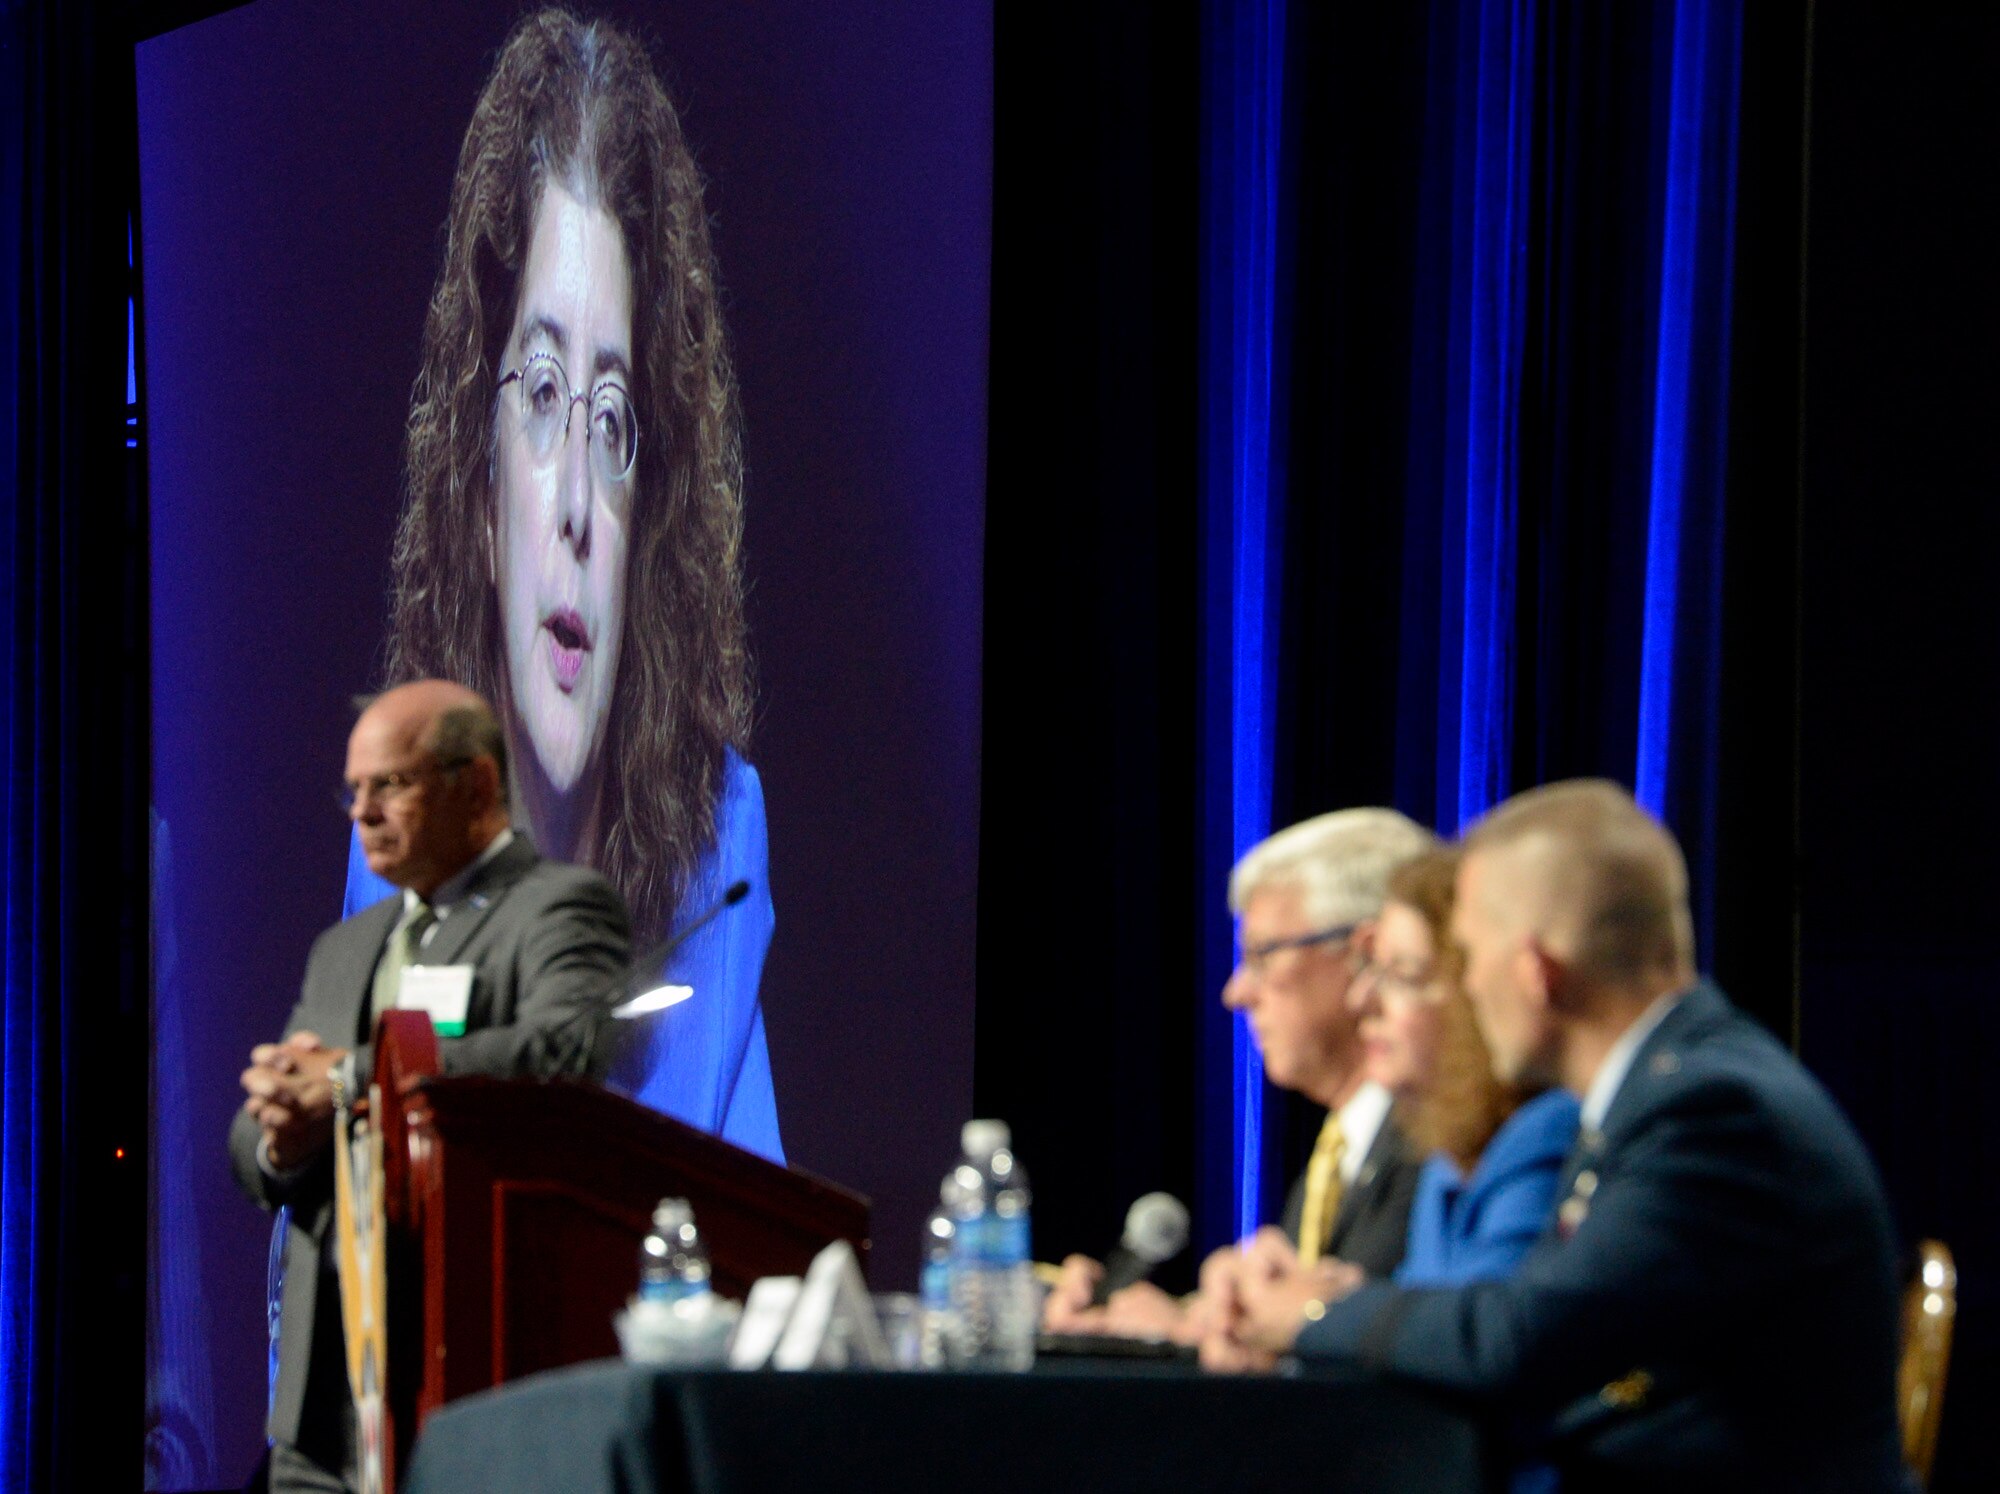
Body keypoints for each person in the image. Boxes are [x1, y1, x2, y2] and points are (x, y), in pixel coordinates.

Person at [1203, 781, 1906, 1494]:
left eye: (1467, 959)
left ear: (1536, 972)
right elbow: (1549, 1308)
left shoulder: (1712, 1113)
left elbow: (1519, 1342)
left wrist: (1318, 1313)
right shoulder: (1663, 1090)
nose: (1466, 990)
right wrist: (1341, 1292)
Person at [354, 9, 781, 1159]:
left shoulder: (718, 838)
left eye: (614, 422)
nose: (580, 509)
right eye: (541, 396)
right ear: (482, 497)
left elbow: (757, 1255)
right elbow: (366, 1231)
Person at [232, 681, 632, 1493]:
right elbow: (254, 1150)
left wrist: (348, 1080)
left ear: (476, 785)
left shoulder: (557, 909)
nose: (362, 812)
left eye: (392, 785)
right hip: (324, 1399)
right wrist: (280, 1136)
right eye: (355, 790)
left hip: (468, 1369)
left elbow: (567, 1049)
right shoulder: (347, 948)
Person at [1044, 808, 1435, 1343]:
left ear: (1363, 953)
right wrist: (1185, 1325)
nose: (1237, 993)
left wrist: (1203, 1334)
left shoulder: (1443, 1140)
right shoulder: (1342, 1151)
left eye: (1263, 956)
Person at [1349, 847, 1578, 1288]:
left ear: (1475, 992)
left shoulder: (1546, 1132)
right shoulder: (1444, 1153)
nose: (1363, 1002)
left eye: (1403, 976)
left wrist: (1313, 1313)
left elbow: (1475, 1331)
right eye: (1372, 970)